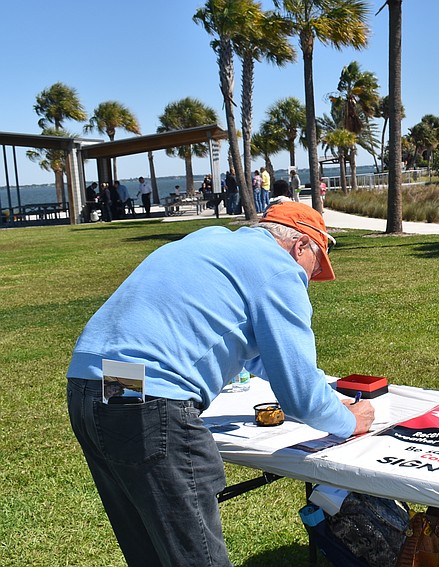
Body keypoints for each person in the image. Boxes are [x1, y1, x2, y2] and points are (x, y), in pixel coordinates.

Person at [66, 201, 374, 566]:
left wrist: (325, 389)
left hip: (95, 383)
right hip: (153, 399)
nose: (310, 279)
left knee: (151, 550)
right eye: (316, 266)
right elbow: (300, 399)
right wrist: (350, 421)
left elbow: (257, 353)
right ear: (300, 245)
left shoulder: (212, 241)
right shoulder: (279, 269)